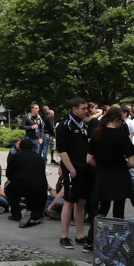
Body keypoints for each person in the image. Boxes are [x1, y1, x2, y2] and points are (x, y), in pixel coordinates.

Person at [86, 105, 134, 222]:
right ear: (117, 120)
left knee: (102, 210)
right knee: (119, 211)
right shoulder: (122, 137)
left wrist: (100, 166)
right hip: (120, 176)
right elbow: (132, 162)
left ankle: (93, 237)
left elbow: (89, 159)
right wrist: (123, 166)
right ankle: (117, 237)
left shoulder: (97, 135)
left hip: (103, 175)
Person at [56, 97, 92, 249]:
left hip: (84, 168)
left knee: (82, 201)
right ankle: (64, 236)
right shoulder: (65, 125)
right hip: (73, 169)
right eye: (83, 108)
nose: (86, 111)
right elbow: (62, 150)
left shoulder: (83, 125)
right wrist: (70, 169)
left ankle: (80, 234)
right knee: (69, 201)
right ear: (74, 109)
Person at [6, 138, 49, 227]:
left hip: (20, 185)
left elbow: (8, 173)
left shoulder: (16, 156)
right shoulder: (39, 158)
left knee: (8, 187)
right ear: (33, 147)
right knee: (35, 194)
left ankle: (16, 213)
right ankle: (33, 213)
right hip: (39, 188)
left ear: (20, 147)